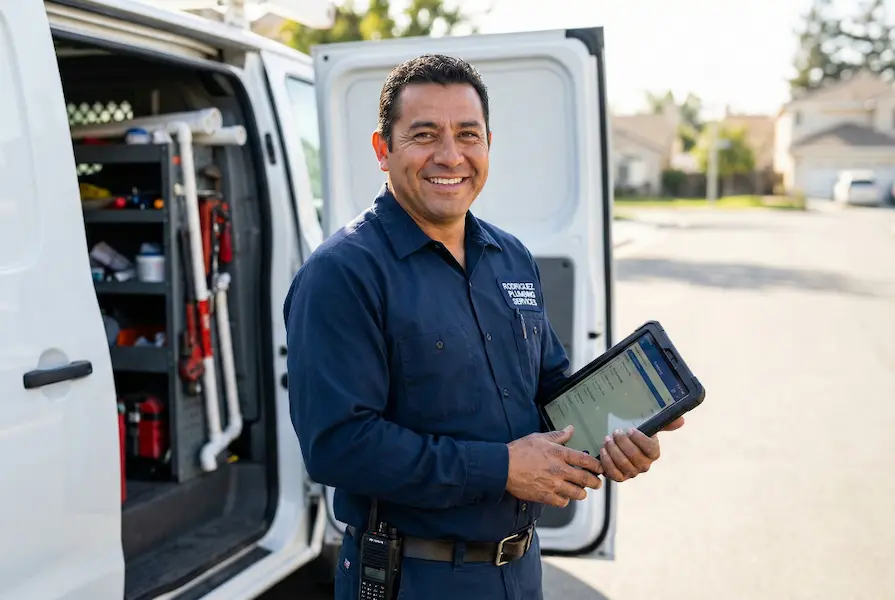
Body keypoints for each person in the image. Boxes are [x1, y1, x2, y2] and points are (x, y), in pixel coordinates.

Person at [283, 54, 684, 600]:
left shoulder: (511, 257)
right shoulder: (342, 274)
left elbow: (545, 392)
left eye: (467, 134)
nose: (450, 155)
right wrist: (500, 468)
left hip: (520, 570)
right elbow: (339, 445)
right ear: (383, 150)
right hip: (412, 577)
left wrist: (612, 433)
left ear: (488, 143)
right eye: (424, 134)